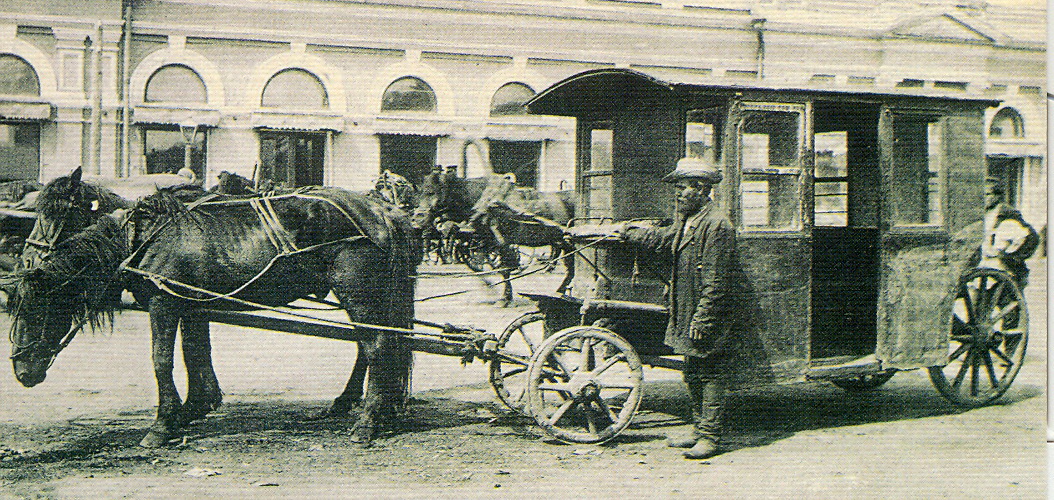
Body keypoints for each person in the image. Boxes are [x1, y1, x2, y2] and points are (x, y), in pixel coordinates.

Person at [620, 157, 740, 460]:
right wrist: (631, 231)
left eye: (683, 187)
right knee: (693, 372)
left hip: (706, 311)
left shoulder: (717, 225)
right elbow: (664, 241)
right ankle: (699, 430)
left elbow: (717, 281)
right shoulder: (689, 219)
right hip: (687, 305)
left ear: (701, 189)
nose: (677, 193)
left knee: (710, 373)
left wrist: (704, 318)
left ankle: (710, 437)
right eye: (677, 187)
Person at [977, 178, 1038, 288]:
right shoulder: (984, 213)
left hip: (1002, 266)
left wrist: (1011, 257)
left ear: (997, 196)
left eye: (987, 194)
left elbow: (1030, 237)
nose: (983, 198)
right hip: (985, 263)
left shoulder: (1007, 213)